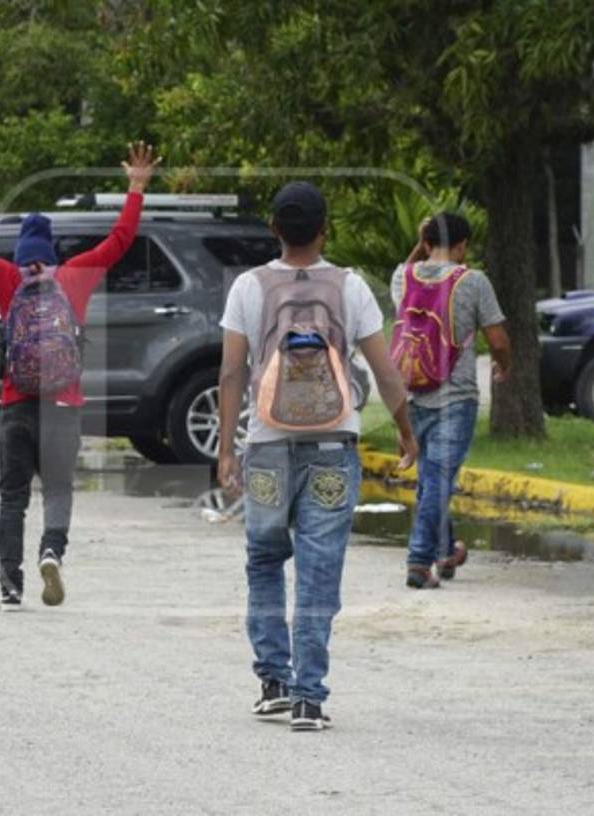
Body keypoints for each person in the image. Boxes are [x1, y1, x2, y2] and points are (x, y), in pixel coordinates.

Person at [0, 142, 160, 610]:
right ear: (51, 251)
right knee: (57, 487)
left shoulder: (6, 278)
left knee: (12, 497)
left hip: (16, 404)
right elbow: (120, 239)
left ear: (21, 251)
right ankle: (52, 550)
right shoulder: (75, 276)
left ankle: (10, 588)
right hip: (63, 406)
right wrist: (136, 187)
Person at [217, 181, 417, 732]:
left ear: (275, 229)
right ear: (326, 229)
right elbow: (385, 370)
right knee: (318, 566)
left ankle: (273, 683)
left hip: (266, 447)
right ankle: (309, 697)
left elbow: (231, 372)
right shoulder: (350, 286)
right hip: (334, 446)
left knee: (264, 560)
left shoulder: (248, 288)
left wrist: (226, 451)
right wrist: (406, 432)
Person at [390, 213, 510, 589]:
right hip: (455, 398)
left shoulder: (403, 277)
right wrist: (504, 367)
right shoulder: (473, 282)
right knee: (437, 481)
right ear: (463, 246)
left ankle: (446, 550)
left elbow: (411, 266)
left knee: (431, 480)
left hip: (412, 394)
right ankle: (418, 562)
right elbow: (498, 339)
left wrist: (422, 239)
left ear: (425, 242)